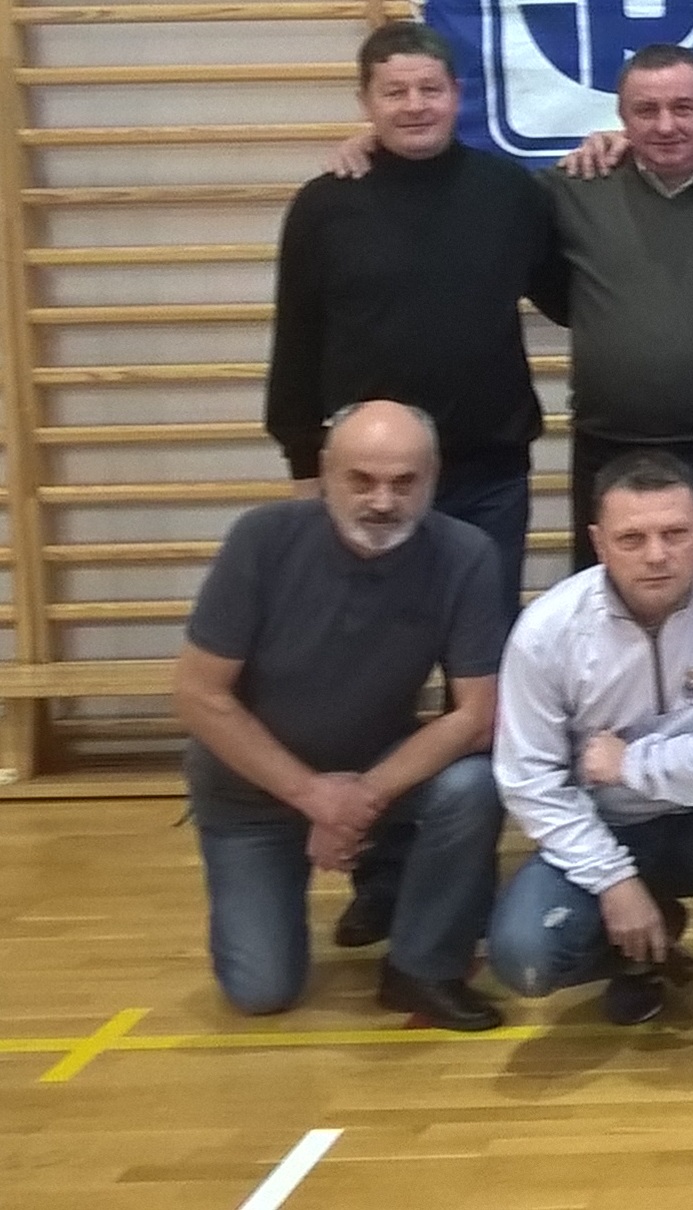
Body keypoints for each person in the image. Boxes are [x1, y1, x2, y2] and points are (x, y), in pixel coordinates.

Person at [170, 400, 506, 1031]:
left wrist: (360, 798)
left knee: (474, 784)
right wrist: (312, 797)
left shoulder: (468, 555)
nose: (383, 501)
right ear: (325, 473)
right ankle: (359, 883)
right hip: (249, 796)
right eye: (362, 480)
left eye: (404, 482)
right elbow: (198, 695)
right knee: (261, 991)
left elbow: (476, 715)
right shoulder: (261, 539)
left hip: (374, 775)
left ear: (434, 478)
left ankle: (421, 966)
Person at [486, 451, 693, 1088]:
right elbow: (529, 781)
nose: (657, 555)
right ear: (598, 542)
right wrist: (614, 882)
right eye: (632, 538)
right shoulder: (546, 631)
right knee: (523, 958)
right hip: (613, 831)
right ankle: (638, 954)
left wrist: (635, 762)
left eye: (675, 533)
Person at [271, 21, 555, 626]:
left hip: (488, 475)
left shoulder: (509, 193)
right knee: (367, 646)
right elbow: (296, 343)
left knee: (482, 645)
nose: (414, 106)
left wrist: (615, 161)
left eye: (430, 89)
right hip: (367, 482)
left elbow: (573, 298)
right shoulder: (325, 206)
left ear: (456, 94)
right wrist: (304, 469)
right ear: (365, 102)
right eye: (394, 92)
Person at [531, 46, 693, 570]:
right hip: (610, 449)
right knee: (609, 602)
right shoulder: (575, 189)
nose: (665, 125)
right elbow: (542, 279)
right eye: (645, 110)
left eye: (683, 108)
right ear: (621, 117)